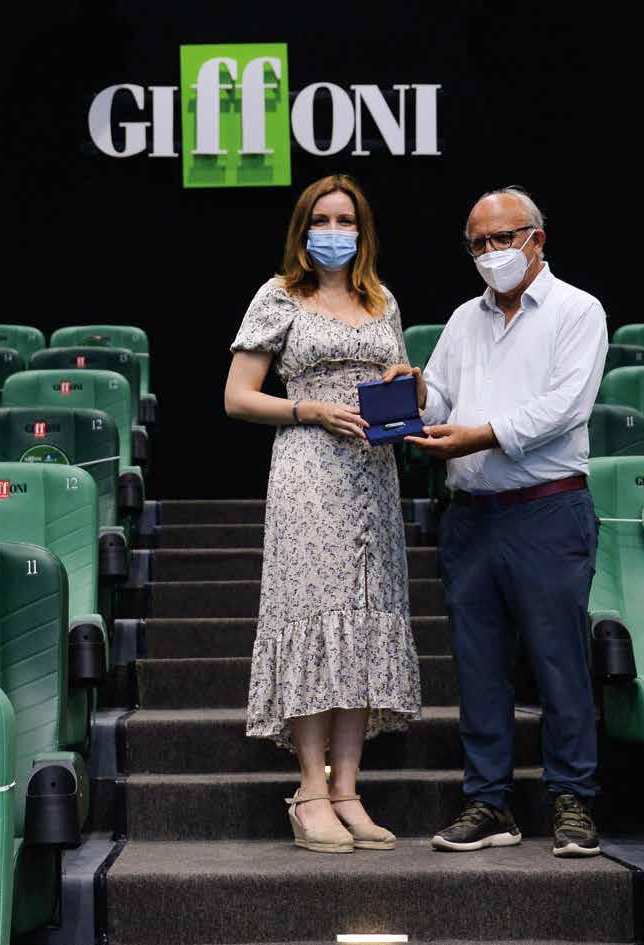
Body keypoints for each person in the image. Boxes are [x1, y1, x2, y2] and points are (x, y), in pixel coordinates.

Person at [383, 186, 608, 857]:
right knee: (478, 667)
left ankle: (573, 799)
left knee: (558, 660)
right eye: (477, 242)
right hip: (471, 518)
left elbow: (566, 407)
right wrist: (417, 393)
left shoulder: (577, 310)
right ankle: (488, 802)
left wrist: (480, 434)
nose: (490, 252)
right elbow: (442, 403)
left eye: (502, 238)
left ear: (537, 240)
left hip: (547, 510)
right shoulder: (463, 319)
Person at [224, 174, 421, 854]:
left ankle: (347, 791)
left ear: (362, 231)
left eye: (345, 220)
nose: (334, 231)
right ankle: (310, 790)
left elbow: (400, 379)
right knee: (314, 616)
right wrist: (308, 409)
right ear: (303, 228)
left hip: (374, 473)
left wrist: (411, 385)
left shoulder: (381, 299)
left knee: (363, 622)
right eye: (322, 219)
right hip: (309, 467)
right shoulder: (279, 294)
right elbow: (237, 396)